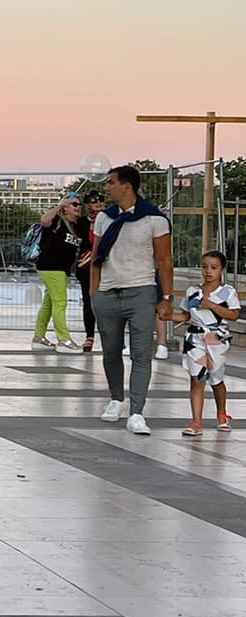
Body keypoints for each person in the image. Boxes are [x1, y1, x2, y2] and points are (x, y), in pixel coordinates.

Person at [91, 164, 174, 436]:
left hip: (141, 291)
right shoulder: (104, 217)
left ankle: (137, 412)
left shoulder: (154, 218)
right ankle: (116, 399)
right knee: (111, 352)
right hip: (108, 293)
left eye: (111, 182)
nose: (106, 187)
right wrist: (94, 294)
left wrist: (166, 297)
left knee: (141, 354)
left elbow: (164, 260)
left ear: (127, 186)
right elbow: (96, 257)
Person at [180, 252, 238, 437]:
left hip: (216, 339)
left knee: (216, 378)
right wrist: (167, 316)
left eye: (214, 267)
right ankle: (196, 422)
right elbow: (186, 315)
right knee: (197, 378)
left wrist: (212, 305)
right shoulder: (192, 291)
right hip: (195, 338)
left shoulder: (227, 292)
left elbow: (234, 315)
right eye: (204, 267)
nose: (208, 271)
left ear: (222, 270)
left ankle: (221, 414)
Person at [31, 197, 83, 352]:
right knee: (60, 302)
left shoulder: (76, 226)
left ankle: (39, 338)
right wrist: (59, 206)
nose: (78, 206)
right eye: (74, 204)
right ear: (65, 208)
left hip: (62, 269)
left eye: (80, 204)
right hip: (52, 267)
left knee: (49, 303)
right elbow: (44, 220)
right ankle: (64, 340)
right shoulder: (56, 221)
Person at [74, 190, 104, 352]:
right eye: (93, 201)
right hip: (86, 266)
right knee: (88, 300)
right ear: (87, 205)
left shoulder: (109, 220)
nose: (98, 203)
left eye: (100, 200)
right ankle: (89, 336)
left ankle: (111, 336)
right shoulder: (80, 223)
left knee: (107, 300)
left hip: (105, 265)